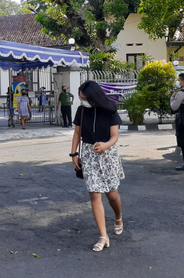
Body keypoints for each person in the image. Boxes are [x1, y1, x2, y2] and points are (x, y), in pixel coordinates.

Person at [70, 80, 124, 252]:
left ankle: (118, 217)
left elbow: (115, 136)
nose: (83, 101)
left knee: (112, 195)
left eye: (85, 98)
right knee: (94, 195)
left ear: (94, 97)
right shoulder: (82, 110)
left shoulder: (110, 108)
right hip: (89, 154)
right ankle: (103, 236)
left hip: (108, 155)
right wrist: (73, 154)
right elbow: (77, 133)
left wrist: (106, 145)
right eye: (81, 98)